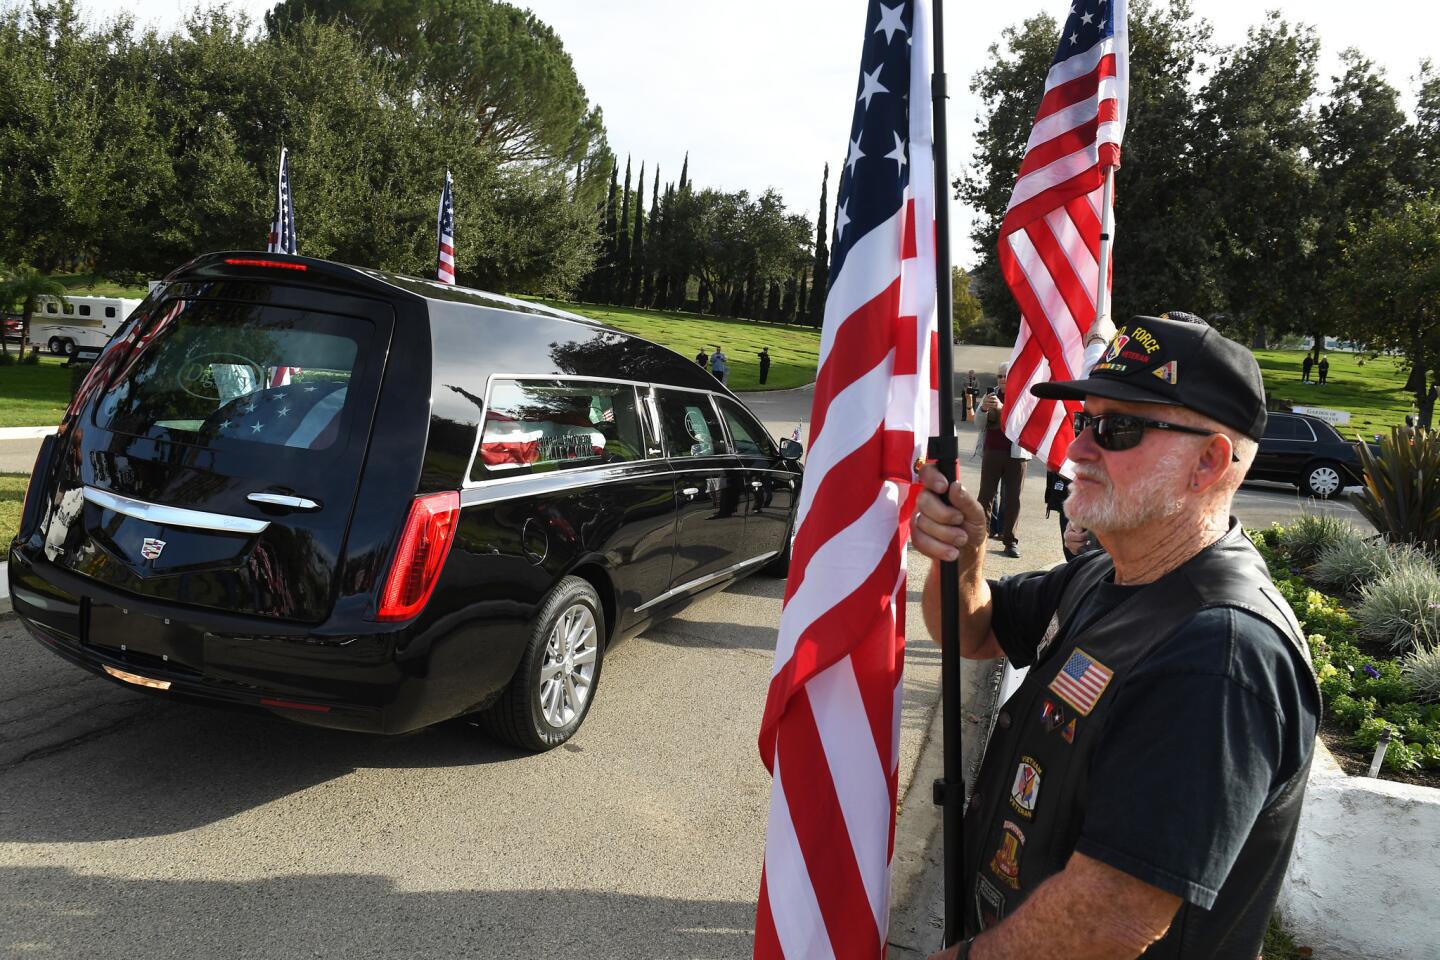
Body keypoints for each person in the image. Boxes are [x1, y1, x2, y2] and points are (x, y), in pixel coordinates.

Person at [912, 314, 1320, 960]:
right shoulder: (1105, 571)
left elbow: (1112, 919)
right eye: (1085, 420)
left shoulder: (1220, 652)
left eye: (1118, 428)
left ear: (1209, 462)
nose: (1078, 449)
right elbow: (974, 631)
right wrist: (961, 560)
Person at [976, 363, 1030, 559]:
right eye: (999, 375)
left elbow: (1024, 423)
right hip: (992, 452)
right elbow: (977, 423)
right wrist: (983, 409)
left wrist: (1003, 408)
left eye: (1006, 375)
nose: (1002, 379)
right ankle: (980, 539)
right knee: (985, 497)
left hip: (1017, 454)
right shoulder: (990, 396)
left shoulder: (1024, 396)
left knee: (1013, 499)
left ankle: (1010, 541)